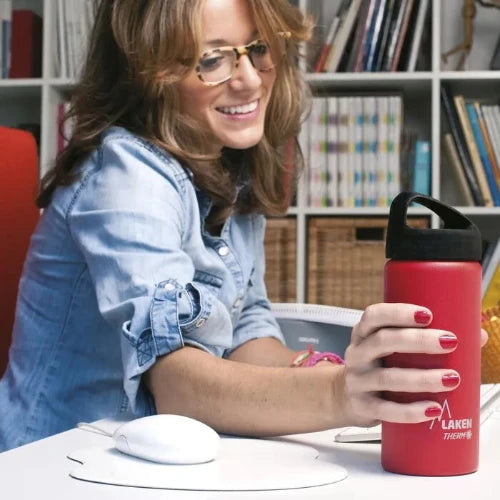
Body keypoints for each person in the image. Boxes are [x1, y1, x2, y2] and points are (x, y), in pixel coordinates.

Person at [0, 0, 487, 452]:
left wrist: (349, 370)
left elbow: (245, 334)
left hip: (159, 457)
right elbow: (175, 384)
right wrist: (342, 393)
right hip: (59, 460)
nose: (251, 79)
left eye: (258, 49)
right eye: (213, 59)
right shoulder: (126, 178)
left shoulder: (227, 165)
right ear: (148, 75)